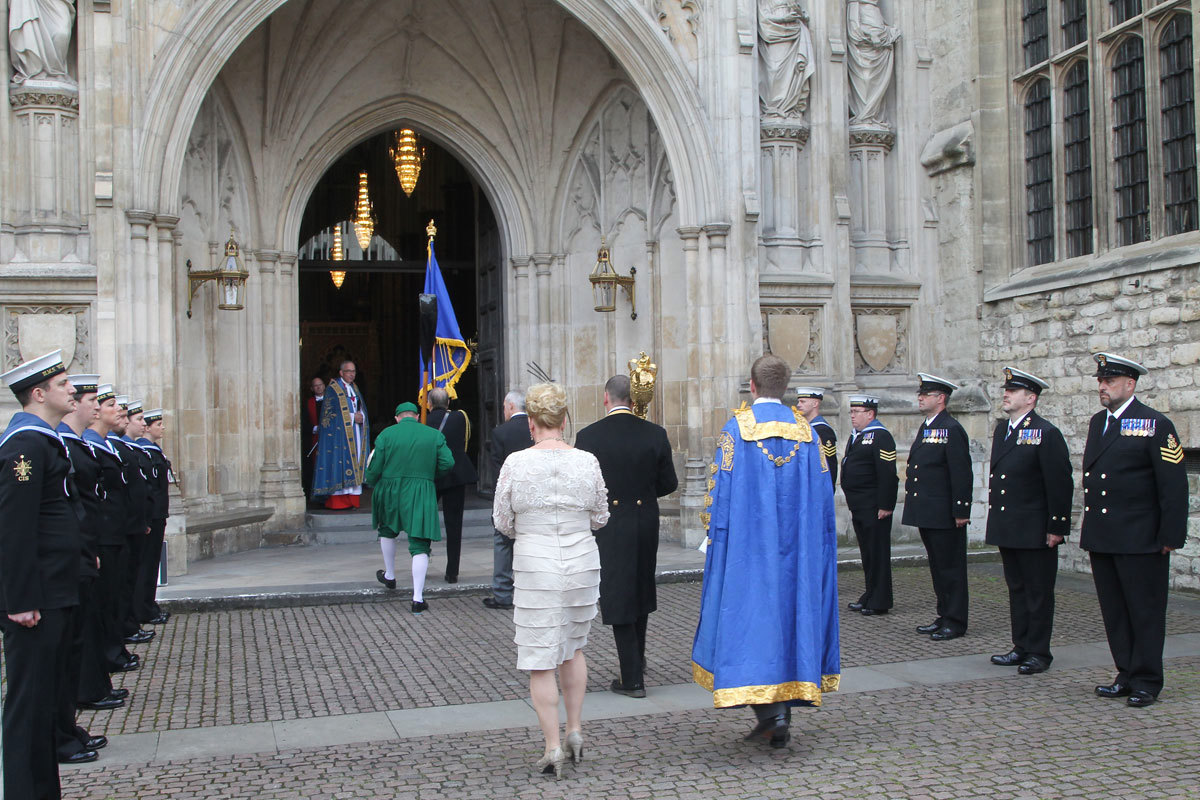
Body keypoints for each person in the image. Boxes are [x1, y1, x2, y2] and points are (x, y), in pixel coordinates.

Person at [691, 354, 840, 749]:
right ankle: (780, 713)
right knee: (791, 617)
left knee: (751, 620)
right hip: (798, 552)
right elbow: (825, 499)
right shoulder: (808, 433)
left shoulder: (736, 430)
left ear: (752, 386)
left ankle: (771, 713)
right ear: (784, 389)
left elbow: (717, 495)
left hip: (748, 550)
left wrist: (715, 540)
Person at [492, 383, 609, 779]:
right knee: (573, 648)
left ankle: (553, 745)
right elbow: (600, 516)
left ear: (531, 424)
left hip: (536, 562)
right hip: (580, 561)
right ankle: (575, 730)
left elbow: (502, 522)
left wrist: (532, 530)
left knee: (541, 660)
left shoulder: (516, 463)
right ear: (562, 420)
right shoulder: (587, 460)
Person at [1083, 353, 1187, 708]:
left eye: (1109, 381)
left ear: (1130, 384)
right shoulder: (1099, 423)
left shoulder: (1155, 424)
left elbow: (1173, 487)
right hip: (1105, 535)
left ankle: (1147, 680)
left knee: (1144, 611)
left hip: (1141, 537)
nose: (1103, 387)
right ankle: (1125, 673)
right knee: (1115, 611)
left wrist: (1170, 537)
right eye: (1101, 381)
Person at [0, 350, 79, 799]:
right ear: (38, 393)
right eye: (63, 383)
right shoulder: (25, 445)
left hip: (54, 591)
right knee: (29, 705)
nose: (71, 390)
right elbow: (14, 528)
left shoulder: (42, 441)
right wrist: (20, 599)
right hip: (37, 599)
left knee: (44, 702)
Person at [575, 374, 677, 698]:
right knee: (640, 587)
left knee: (618, 592)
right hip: (645, 518)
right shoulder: (655, 434)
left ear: (606, 398)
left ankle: (632, 677)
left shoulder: (589, 436)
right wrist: (644, 494)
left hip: (610, 520)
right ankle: (637, 659)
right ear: (633, 400)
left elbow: (583, 486)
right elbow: (669, 483)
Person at [985, 367, 1072, 675]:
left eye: (1014, 391)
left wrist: (1056, 527)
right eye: (1006, 390)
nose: (1006, 394)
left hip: (1035, 529)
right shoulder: (1004, 430)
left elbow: (1060, 483)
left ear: (1030, 398)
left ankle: (1038, 651)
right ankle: (1020, 645)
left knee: (1037, 592)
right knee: (1017, 589)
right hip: (1010, 526)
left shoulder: (1046, 433)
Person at [55, 374, 110, 765]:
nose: (85, 401)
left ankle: (65, 728)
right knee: (54, 662)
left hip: (80, 554)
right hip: (58, 569)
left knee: (70, 651)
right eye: (75, 393)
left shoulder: (63, 445)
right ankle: (57, 735)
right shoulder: (37, 445)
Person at [364, 402, 454, 613]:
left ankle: (390, 574)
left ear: (397, 418)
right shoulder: (433, 435)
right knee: (420, 543)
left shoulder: (386, 435)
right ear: (416, 417)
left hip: (390, 489)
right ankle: (417, 598)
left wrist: (373, 481)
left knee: (387, 529)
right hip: (421, 490)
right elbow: (448, 463)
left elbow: (373, 468)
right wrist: (429, 476)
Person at [903, 372, 972, 641]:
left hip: (945, 514)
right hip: (928, 511)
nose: (920, 398)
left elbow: (961, 473)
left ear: (940, 398)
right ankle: (944, 614)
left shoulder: (952, 429)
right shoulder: (928, 426)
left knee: (951, 569)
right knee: (937, 567)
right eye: (920, 394)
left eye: (925, 394)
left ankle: (955, 620)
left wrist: (961, 511)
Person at [86, 386, 139, 678]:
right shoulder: (91, 445)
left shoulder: (105, 444)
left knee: (116, 597)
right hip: (103, 536)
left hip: (116, 532)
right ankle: (109, 655)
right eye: (108, 404)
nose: (120, 410)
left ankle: (114, 651)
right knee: (105, 601)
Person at [840, 394, 898, 616]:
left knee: (878, 553)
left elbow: (887, 474)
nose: (852, 416)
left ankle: (880, 599)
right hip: (860, 505)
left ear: (870, 414)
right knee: (867, 553)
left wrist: (886, 504)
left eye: (857, 412)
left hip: (875, 506)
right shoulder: (858, 436)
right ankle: (870, 593)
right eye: (851, 412)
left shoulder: (880, 436)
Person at [482, 390, 533, 610]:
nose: (503, 410)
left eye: (504, 407)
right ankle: (530, 590)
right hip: (533, 494)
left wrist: (499, 500)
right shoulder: (535, 429)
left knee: (503, 542)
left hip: (510, 495)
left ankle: (503, 593)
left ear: (510, 406)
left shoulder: (500, 432)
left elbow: (498, 471)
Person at [425, 387, 478, 584]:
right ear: (448, 403)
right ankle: (452, 572)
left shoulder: (424, 421)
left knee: (425, 521)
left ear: (429, 404)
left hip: (433, 475)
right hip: (456, 474)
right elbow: (465, 441)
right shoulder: (460, 417)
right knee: (454, 524)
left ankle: (422, 560)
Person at [116, 399, 155, 646]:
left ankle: (132, 622)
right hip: (119, 529)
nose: (145, 424)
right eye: (139, 419)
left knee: (131, 578)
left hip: (131, 525)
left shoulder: (126, 449)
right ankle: (128, 626)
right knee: (122, 584)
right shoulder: (113, 448)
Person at [313, 361, 370, 510]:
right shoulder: (333, 389)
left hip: (356, 433)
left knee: (356, 460)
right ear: (341, 373)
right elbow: (329, 416)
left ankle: (353, 500)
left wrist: (361, 417)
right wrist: (352, 417)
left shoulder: (355, 388)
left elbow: (361, 408)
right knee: (340, 463)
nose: (352, 374)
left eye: (354, 371)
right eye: (348, 371)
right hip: (339, 437)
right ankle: (339, 502)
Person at [136, 409, 172, 626]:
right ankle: (144, 608)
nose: (163, 428)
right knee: (146, 565)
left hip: (158, 514)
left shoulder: (152, 451)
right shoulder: (144, 452)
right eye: (158, 424)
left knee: (150, 565)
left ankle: (148, 606)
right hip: (152, 515)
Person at [794, 387, 837, 488]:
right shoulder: (802, 427)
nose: (798, 405)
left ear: (815, 404)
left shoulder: (823, 430)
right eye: (799, 401)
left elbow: (829, 465)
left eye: (803, 402)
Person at [303, 376, 326, 503]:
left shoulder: (330, 402)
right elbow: (303, 421)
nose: (318, 387)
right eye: (315, 385)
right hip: (314, 438)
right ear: (312, 388)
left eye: (320, 384)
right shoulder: (308, 403)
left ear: (324, 386)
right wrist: (315, 428)